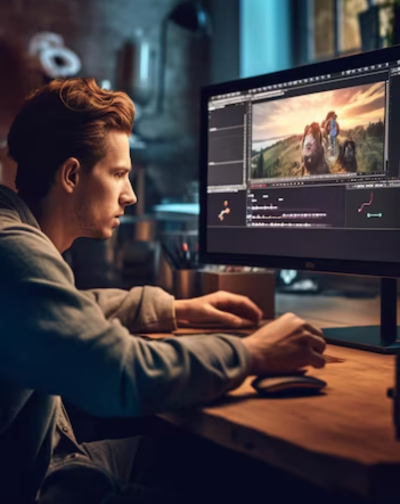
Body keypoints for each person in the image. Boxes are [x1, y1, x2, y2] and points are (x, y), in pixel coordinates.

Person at [0, 77, 326, 503]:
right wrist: (252, 353)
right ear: (72, 174)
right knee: (265, 482)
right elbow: (119, 372)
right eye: (119, 174)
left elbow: (63, 313)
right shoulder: (15, 251)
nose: (131, 195)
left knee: (209, 457)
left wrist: (177, 309)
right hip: (44, 487)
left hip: (57, 463)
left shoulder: (17, 235)